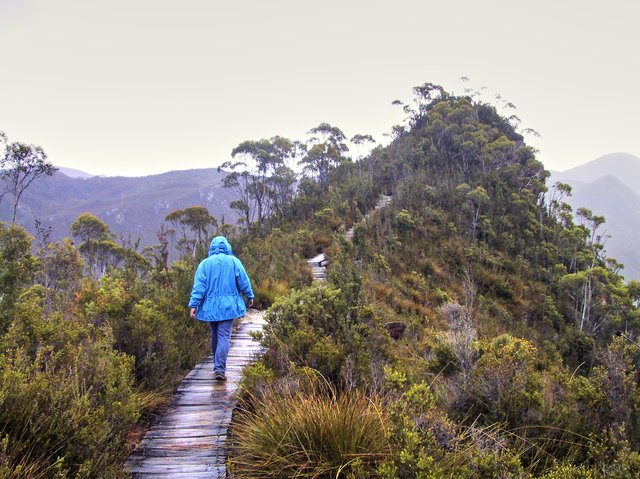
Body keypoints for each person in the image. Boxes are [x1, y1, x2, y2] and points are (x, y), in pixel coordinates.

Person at [188, 236, 254, 381]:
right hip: (228, 306)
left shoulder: (204, 264)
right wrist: (250, 296)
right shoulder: (234, 262)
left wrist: (194, 304)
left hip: (210, 307)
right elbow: (243, 281)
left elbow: (199, 286)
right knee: (224, 336)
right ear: (227, 246)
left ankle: (216, 365)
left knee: (214, 335)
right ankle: (220, 369)